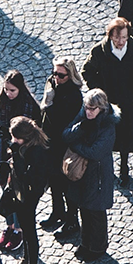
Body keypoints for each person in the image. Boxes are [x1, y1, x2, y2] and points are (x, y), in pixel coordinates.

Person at [83, 17, 133, 187]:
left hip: (128, 101)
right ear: (110, 36)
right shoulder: (99, 51)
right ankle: (107, 169)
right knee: (105, 135)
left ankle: (124, 170)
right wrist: (99, 91)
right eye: (117, 38)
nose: (120, 41)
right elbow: (87, 71)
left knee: (125, 137)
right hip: (107, 102)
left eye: (123, 37)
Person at [63, 89, 119, 263]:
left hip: (99, 175)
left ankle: (98, 247)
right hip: (84, 174)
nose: (88, 112)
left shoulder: (108, 126)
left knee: (96, 212)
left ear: (101, 108)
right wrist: (79, 130)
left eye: (92, 109)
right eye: (87, 108)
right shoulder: (84, 118)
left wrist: (76, 146)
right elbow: (66, 135)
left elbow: (95, 152)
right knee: (84, 209)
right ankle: (86, 243)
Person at [5, 117, 53, 264]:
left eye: (16, 138)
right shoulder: (27, 146)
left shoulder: (37, 151)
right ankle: (27, 260)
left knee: (29, 231)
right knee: (25, 229)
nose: (13, 141)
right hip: (23, 192)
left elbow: (26, 176)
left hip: (29, 195)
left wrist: (16, 157)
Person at [40, 58, 86, 237]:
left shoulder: (74, 95)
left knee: (67, 185)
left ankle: (72, 221)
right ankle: (57, 211)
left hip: (65, 146)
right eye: (54, 73)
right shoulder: (53, 84)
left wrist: (49, 104)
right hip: (50, 144)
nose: (56, 78)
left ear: (70, 75)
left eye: (61, 75)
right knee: (54, 182)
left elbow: (60, 121)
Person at [0, 70, 42, 188]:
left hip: (22, 148)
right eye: (6, 89)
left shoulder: (30, 105)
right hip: (2, 146)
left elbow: (37, 127)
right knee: (3, 176)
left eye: (12, 90)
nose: (8, 93)